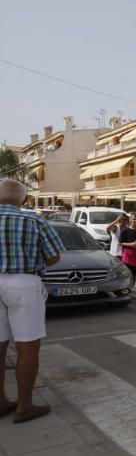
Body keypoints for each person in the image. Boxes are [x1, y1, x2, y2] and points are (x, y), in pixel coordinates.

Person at [0, 179, 64, 424]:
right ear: (24, 200)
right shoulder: (34, 220)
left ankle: (1, 401)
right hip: (24, 283)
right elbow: (54, 258)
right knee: (27, 346)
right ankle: (24, 405)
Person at [118, 212, 136, 286]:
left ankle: (131, 290)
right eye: (134, 219)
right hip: (127, 257)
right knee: (127, 275)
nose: (135, 221)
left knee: (134, 275)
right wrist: (131, 244)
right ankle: (125, 290)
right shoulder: (125, 231)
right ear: (130, 219)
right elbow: (120, 243)